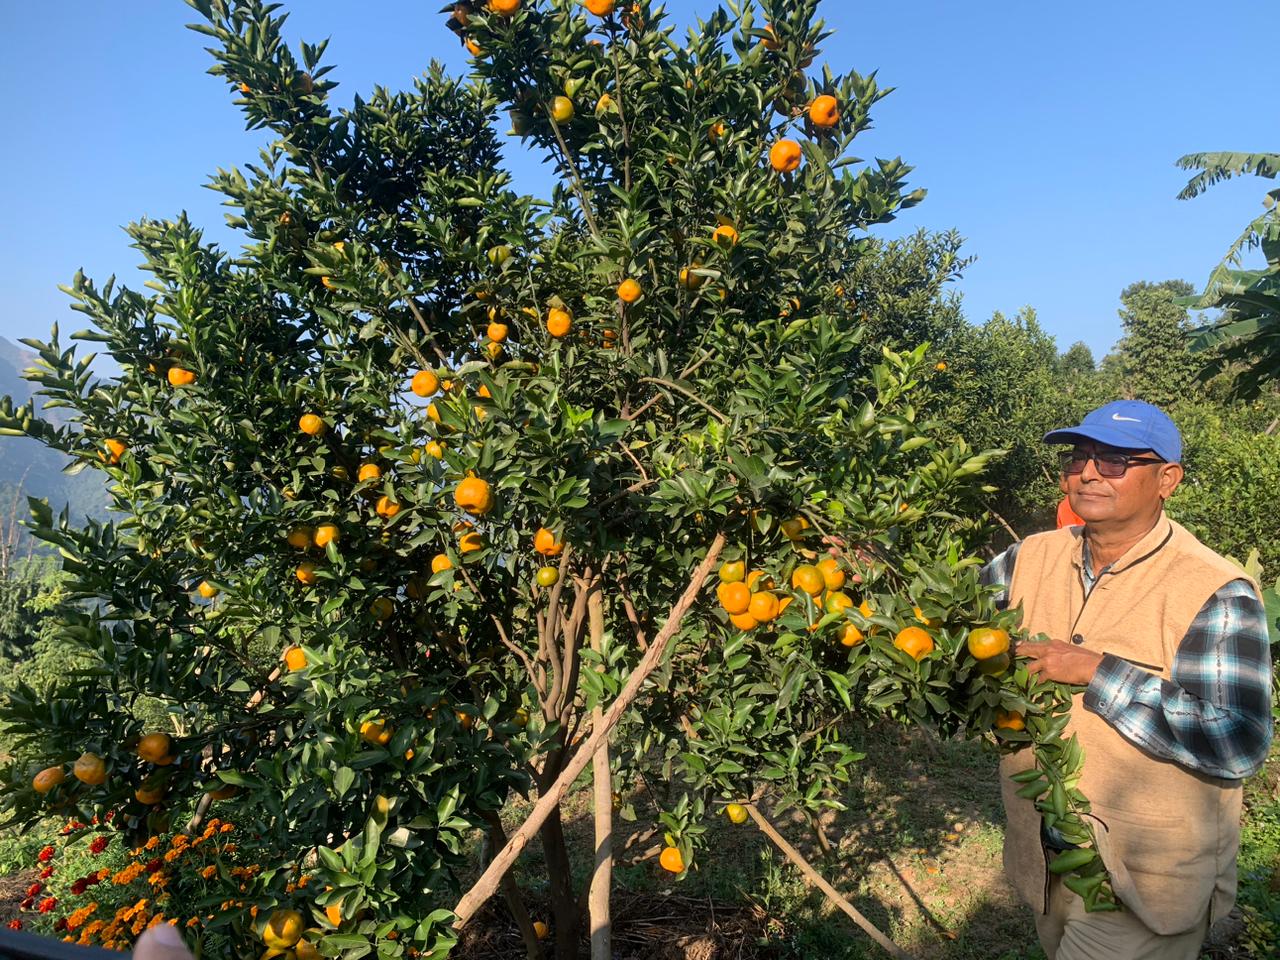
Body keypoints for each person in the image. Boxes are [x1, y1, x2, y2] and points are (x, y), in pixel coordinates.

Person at [981, 399, 1273, 960]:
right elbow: (949, 622)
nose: (1088, 472)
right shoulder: (1029, 559)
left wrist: (1098, 672)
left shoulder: (1213, 588)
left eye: (1115, 461)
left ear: (1168, 479)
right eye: (1079, 456)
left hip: (1148, 884)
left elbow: (1238, 742)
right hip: (1048, 858)